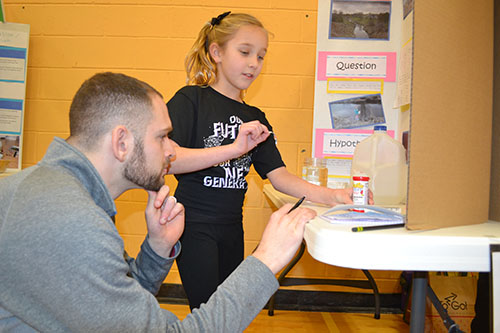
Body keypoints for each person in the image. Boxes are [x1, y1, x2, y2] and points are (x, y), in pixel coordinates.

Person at [0, 72, 317, 332]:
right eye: (162, 137)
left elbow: (118, 309)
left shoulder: (60, 192)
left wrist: (156, 248)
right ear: (122, 142)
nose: (171, 150)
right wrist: (266, 260)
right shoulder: (71, 221)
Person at [166, 12, 361, 310]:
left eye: (261, 56)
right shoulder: (190, 99)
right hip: (194, 225)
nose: (253, 63)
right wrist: (233, 148)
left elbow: (279, 176)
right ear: (216, 52)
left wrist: (334, 195)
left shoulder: (256, 117)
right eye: (244, 52)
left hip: (232, 227)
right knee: (207, 313)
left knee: (231, 312)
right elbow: (170, 159)